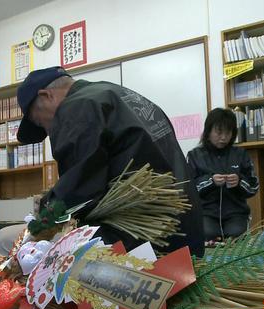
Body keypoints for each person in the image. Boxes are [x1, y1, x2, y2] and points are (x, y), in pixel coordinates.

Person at [13, 66, 205, 257]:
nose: (48, 131)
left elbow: (79, 190)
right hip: (186, 232)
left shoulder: (76, 107)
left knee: (30, 250)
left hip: (146, 239)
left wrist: (43, 218)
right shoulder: (121, 94)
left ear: (47, 96)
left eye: (41, 123)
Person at [187, 108, 259, 246]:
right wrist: (210, 181)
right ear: (208, 132)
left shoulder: (240, 154)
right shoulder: (194, 156)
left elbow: (254, 187)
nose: (224, 137)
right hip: (206, 213)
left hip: (236, 213)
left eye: (228, 133)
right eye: (219, 132)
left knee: (236, 235)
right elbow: (187, 189)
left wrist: (239, 182)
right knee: (208, 234)